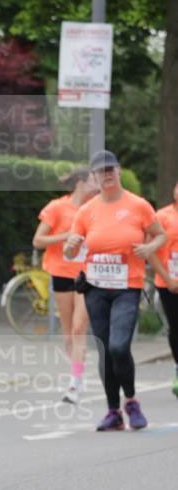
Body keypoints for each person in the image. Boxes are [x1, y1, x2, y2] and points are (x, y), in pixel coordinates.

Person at [64, 150, 166, 431]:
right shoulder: (87, 211)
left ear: (119, 171)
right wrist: (70, 246)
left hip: (127, 287)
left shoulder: (139, 205)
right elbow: (70, 250)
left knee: (119, 346)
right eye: (101, 171)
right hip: (95, 289)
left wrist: (149, 247)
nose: (107, 174)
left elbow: (160, 234)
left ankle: (131, 401)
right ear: (94, 177)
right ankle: (113, 412)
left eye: (111, 169)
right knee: (105, 351)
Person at [32, 168, 98, 403]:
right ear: (81, 182)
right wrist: (66, 236)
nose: (98, 183)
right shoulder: (57, 207)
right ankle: (75, 372)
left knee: (80, 328)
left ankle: (74, 383)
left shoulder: (96, 208)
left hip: (86, 275)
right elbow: (37, 241)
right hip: (61, 273)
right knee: (68, 330)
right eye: (94, 179)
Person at [148, 179, 178, 397]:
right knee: (176, 328)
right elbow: (149, 251)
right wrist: (168, 279)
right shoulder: (161, 216)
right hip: (169, 282)